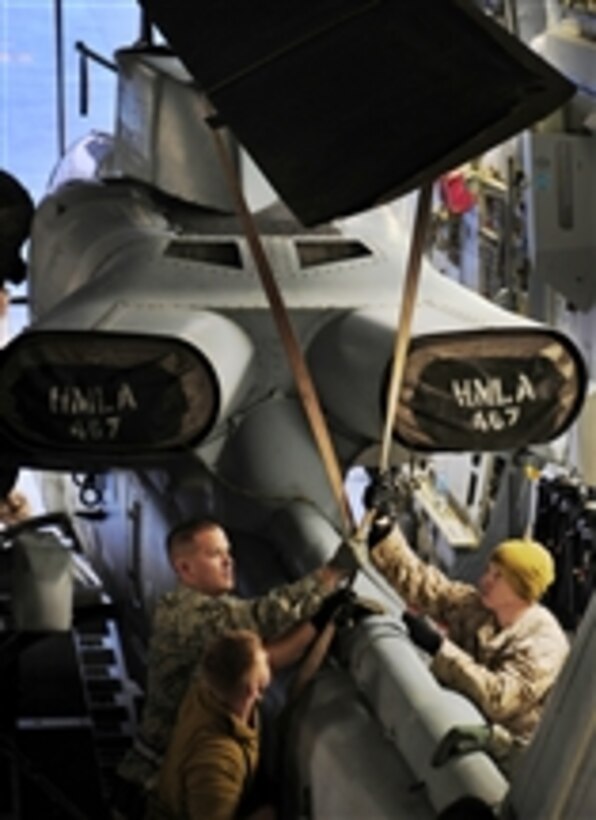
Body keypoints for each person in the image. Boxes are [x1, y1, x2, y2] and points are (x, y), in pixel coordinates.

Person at [115, 518, 354, 812]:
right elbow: (267, 617)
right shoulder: (192, 615)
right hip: (154, 786)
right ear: (184, 568)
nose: (228, 561)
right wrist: (332, 574)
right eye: (215, 554)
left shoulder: (192, 609)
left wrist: (322, 619)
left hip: (171, 774)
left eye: (228, 552)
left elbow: (263, 659)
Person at [362, 476, 569, 772]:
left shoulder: (544, 644)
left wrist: (439, 648)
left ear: (523, 592)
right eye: (489, 571)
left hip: (504, 761)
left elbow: (499, 699)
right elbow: (426, 586)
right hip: (458, 719)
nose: (485, 580)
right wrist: (383, 527)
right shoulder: (480, 607)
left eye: (498, 577)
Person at [146, 629, 275, 820]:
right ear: (252, 690)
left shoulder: (203, 694)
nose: (269, 656)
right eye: (264, 659)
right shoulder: (216, 762)